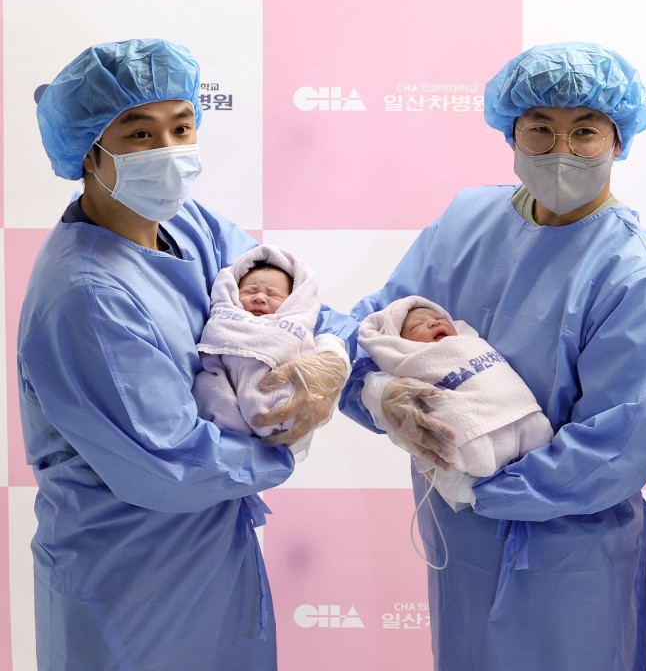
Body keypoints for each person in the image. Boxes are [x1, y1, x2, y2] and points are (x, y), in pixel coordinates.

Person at [341, 42, 646, 670]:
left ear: (619, 138)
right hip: (459, 542)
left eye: (584, 131)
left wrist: (474, 485)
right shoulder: (466, 221)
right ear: (510, 132)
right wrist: (375, 393)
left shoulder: (634, 275)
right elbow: (375, 327)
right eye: (540, 129)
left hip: (565, 555)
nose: (561, 149)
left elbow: (614, 449)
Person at [20, 39, 354, 671]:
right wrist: (284, 441)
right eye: (140, 134)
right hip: (126, 577)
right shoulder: (87, 296)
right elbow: (167, 466)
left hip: (209, 551)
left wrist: (333, 351)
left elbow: (281, 292)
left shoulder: (185, 224)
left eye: (181, 126)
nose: (169, 151)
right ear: (90, 148)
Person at [358, 295, 554, 509]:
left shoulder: (469, 342)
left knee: (540, 434)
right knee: (478, 459)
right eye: (417, 325)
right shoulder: (412, 359)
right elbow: (347, 350)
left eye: (438, 317)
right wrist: (377, 389)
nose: (433, 322)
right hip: (476, 430)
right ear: (400, 343)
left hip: (520, 410)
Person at [194, 245, 342, 462]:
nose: (260, 298)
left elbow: (330, 323)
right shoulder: (226, 314)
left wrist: (333, 353)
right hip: (220, 383)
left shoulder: (293, 323)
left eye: (273, 294)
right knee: (209, 388)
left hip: (269, 382)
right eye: (250, 291)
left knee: (276, 398)